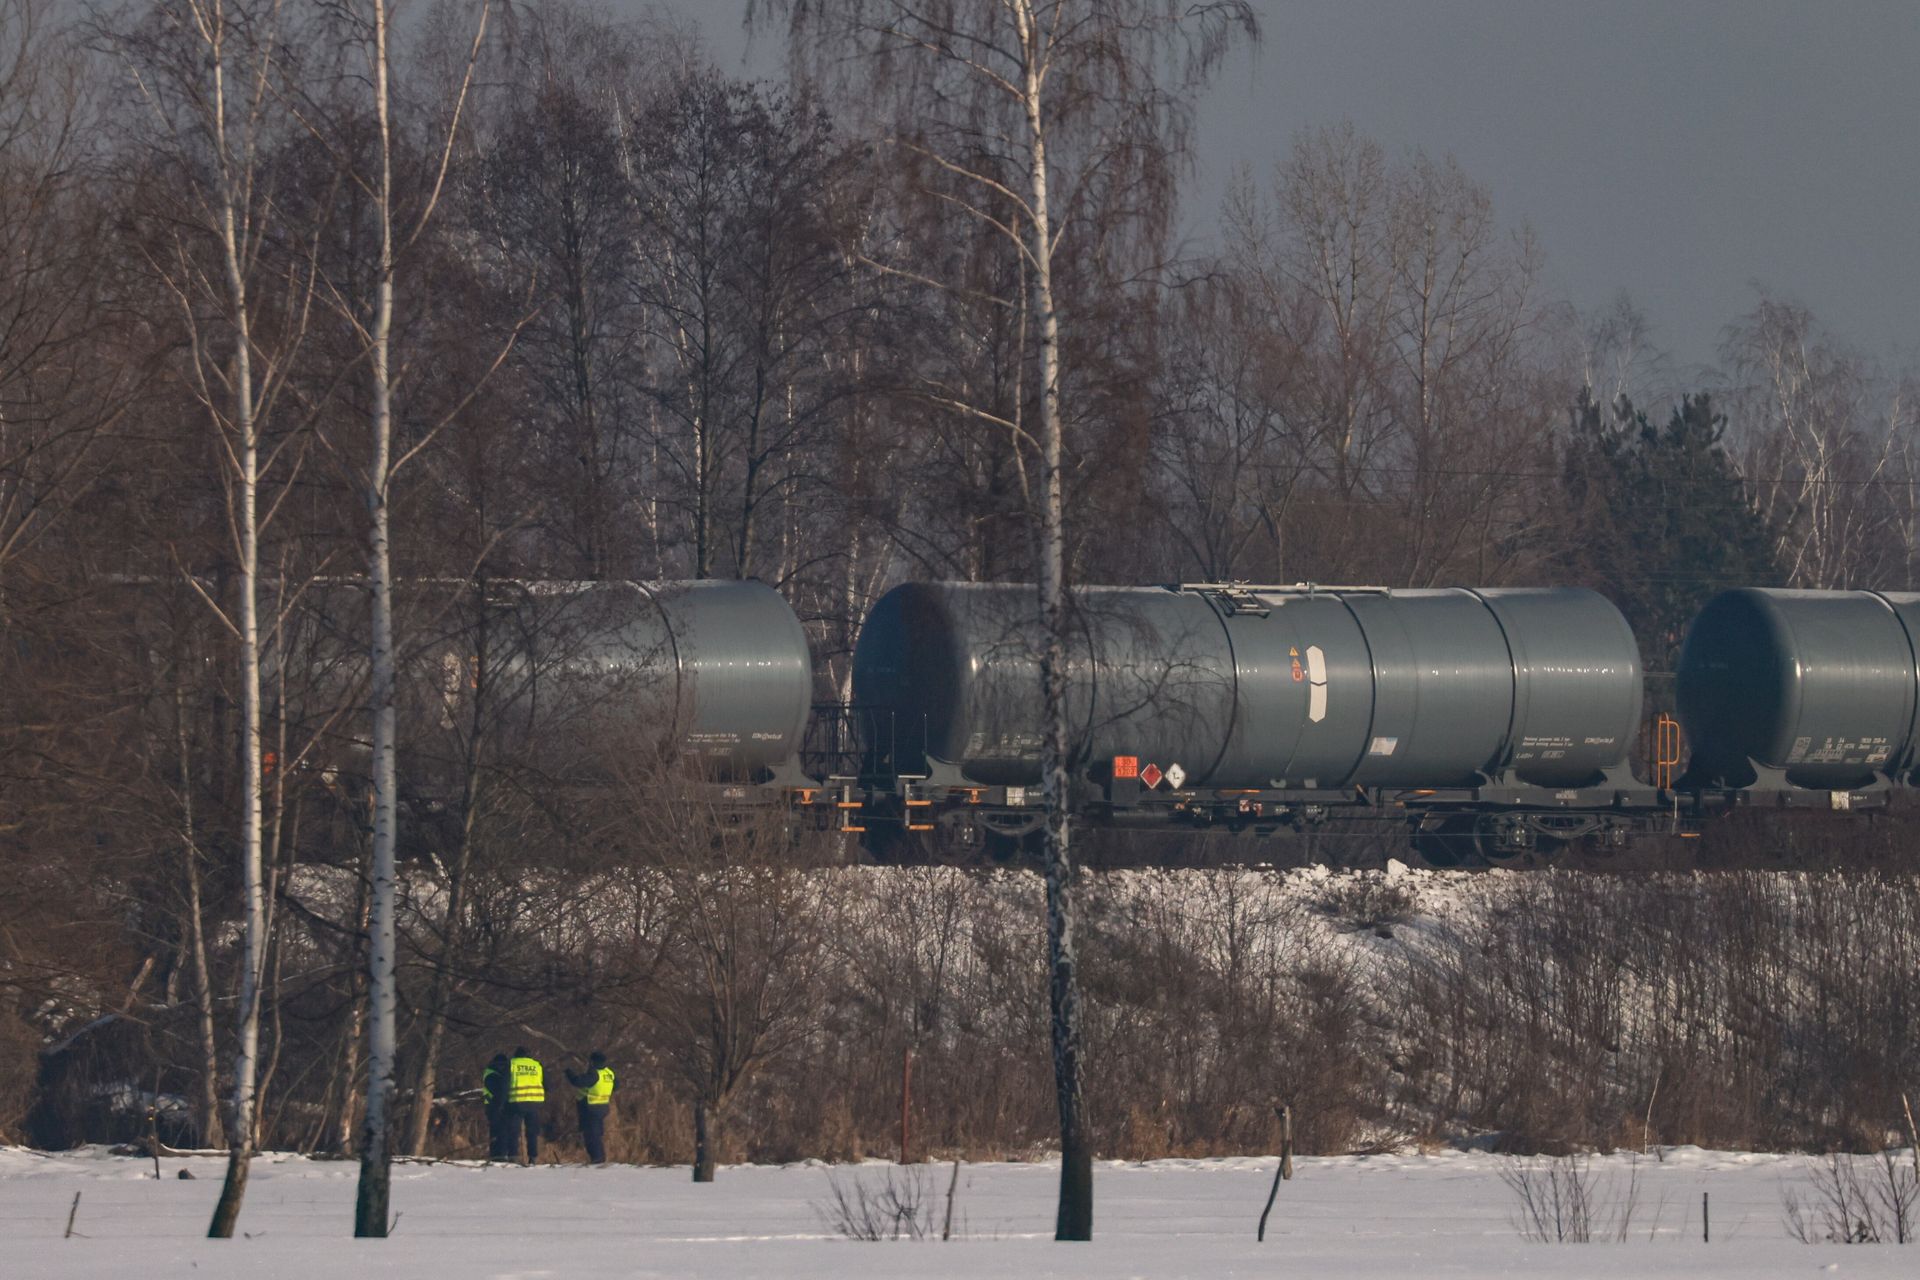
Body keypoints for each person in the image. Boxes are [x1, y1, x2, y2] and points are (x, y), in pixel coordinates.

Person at [565, 1051, 616, 1164]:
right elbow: (616, 1086)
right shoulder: (609, 1073)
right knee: (597, 1133)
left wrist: (569, 1072)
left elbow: (578, 1082)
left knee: (592, 1135)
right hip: (603, 1106)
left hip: (591, 1107)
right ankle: (599, 1158)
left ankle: (597, 1159)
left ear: (593, 1061)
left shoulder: (594, 1074)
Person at [505, 1045, 545, 1164]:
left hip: (517, 1102)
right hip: (535, 1103)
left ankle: (513, 1156)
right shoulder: (537, 1065)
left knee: (514, 1131)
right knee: (532, 1132)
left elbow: (504, 1084)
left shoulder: (512, 1064)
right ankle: (533, 1157)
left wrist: (502, 1101)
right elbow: (548, 1083)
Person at [481, 1052, 511, 1160]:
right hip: (493, 1106)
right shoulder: (491, 1074)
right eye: (501, 1065)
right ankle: (498, 1155)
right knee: (499, 1131)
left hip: (495, 1105)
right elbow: (498, 1091)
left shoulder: (494, 1073)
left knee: (499, 1131)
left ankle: (498, 1154)